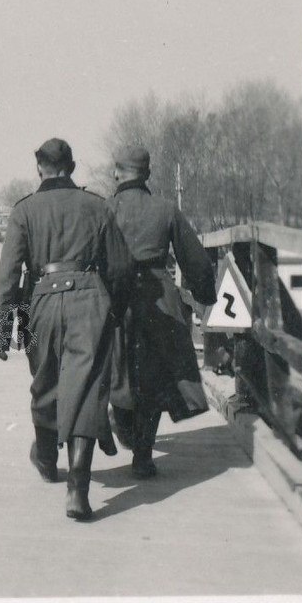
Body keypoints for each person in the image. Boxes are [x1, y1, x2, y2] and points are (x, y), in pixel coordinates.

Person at [0, 138, 133, 520]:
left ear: (39, 168)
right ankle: (78, 490)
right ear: (72, 166)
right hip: (89, 299)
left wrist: (0, 330)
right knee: (86, 391)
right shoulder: (98, 206)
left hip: (41, 302)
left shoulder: (25, 211)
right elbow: (119, 269)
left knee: (46, 382)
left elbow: (8, 274)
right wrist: (113, 311)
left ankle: (47, 460)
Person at [107, 145, 216, 478]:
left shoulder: (104, 210)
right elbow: (195, 259)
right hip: (159, 298)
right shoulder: (166, 209)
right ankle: (143, 455)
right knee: (152, 375)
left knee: (118, 367)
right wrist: (204, 294)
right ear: (148, 174)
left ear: (116, 173)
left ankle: (122, 421)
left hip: (116, 297)